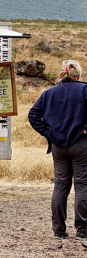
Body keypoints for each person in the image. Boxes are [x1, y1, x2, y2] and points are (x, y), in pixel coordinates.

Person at [28, 60, 87, 241]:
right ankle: (83, 231)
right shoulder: (85, 90)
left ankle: (59, 230)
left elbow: (33, 115)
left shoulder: (48, 93)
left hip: (57, 146)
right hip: (81, 145)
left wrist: (48, 133)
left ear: (61, 75)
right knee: (82, 185)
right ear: (78, 75)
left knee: (60, 186)